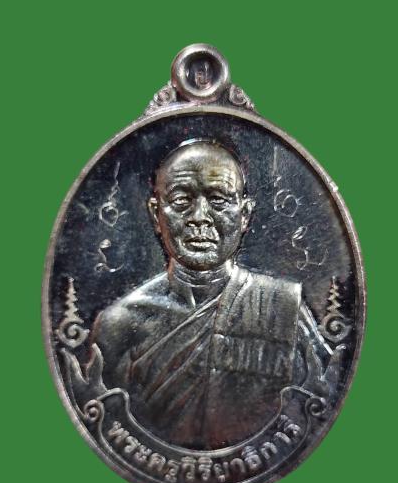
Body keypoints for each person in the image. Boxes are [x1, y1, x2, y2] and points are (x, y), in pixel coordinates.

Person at [91, 141, 332, 450]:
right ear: (155, 213)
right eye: (181, 200)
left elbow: (322, 397)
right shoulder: (120, 324)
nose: (200, 217)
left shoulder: (283, 308)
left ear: (244, 215)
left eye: (219, 200)